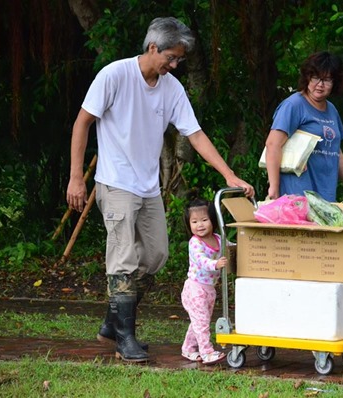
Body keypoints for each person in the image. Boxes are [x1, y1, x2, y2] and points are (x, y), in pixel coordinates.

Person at [66, 17, 254, 363]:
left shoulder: (171, 88)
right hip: (116, 181)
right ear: (152, 47)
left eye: (180, 60)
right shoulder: (114, 75)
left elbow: (195, 134)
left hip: (148, 185)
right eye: (172, 57)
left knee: (156, 256)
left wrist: (229, 174)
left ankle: (112, 320)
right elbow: (83, 121)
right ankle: (125, 339)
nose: (175, 65)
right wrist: (77, 176)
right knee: (122, 257)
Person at [264, 51, 343, 202]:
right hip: (296, 195)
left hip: (325, 195)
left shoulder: (332, 110)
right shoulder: (294, 105)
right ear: (307, 77)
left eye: (327, 80)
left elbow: (335, 151)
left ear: (335, 83)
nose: (320, 85)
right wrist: (274, 188)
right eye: (315, 77)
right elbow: (272, 144)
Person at [180, 198, 227, 364]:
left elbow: (229, 247)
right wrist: (216, 264)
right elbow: (201, 260)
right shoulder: (194, 243)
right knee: (202, 322)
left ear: (213, 220)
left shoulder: (218, 239)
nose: (199, 225)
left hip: (209, 289)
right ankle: (207, 352)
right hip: (195, 288)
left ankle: (188, 348)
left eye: (204, 220)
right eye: (194, 221)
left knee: (200, 320)